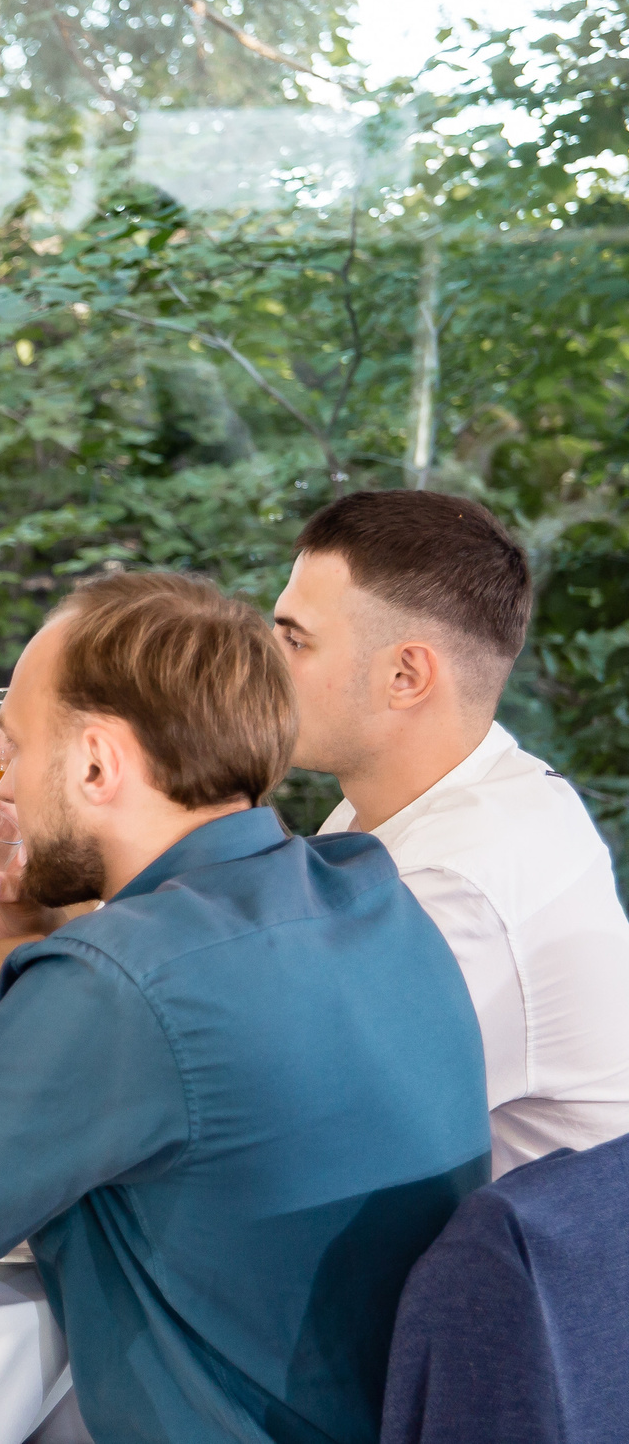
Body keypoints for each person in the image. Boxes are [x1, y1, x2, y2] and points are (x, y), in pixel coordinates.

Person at [0, 572, 488, 1444]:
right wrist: (39, 936)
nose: (6, 784)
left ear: (97, 762)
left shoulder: (114, 983)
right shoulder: (364, 890)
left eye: (18, 748)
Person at [273, 490, 629, 1175]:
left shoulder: (460, 887)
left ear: (406, 675)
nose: (262, 663)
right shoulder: (405, 800)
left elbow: (278, 1109)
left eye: (295, 639)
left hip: (525, 1277)